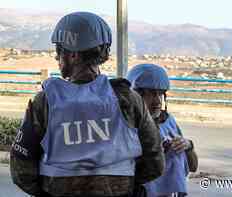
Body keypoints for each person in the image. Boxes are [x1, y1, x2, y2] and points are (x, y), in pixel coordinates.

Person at [10, 12, 164, 197]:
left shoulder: (45, 102)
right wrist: (124, 186)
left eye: (59, 51)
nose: (57, 58)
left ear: (73, 54)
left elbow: (21, 170)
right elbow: (155, 162)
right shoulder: (128, 100)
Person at [127, 64, 198, 197]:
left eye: (161, 94)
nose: (158, 101)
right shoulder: (127, 125)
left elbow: (193, 167)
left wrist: (188, 145)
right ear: (136, 96)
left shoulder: (168, 121)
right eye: (152, 94)